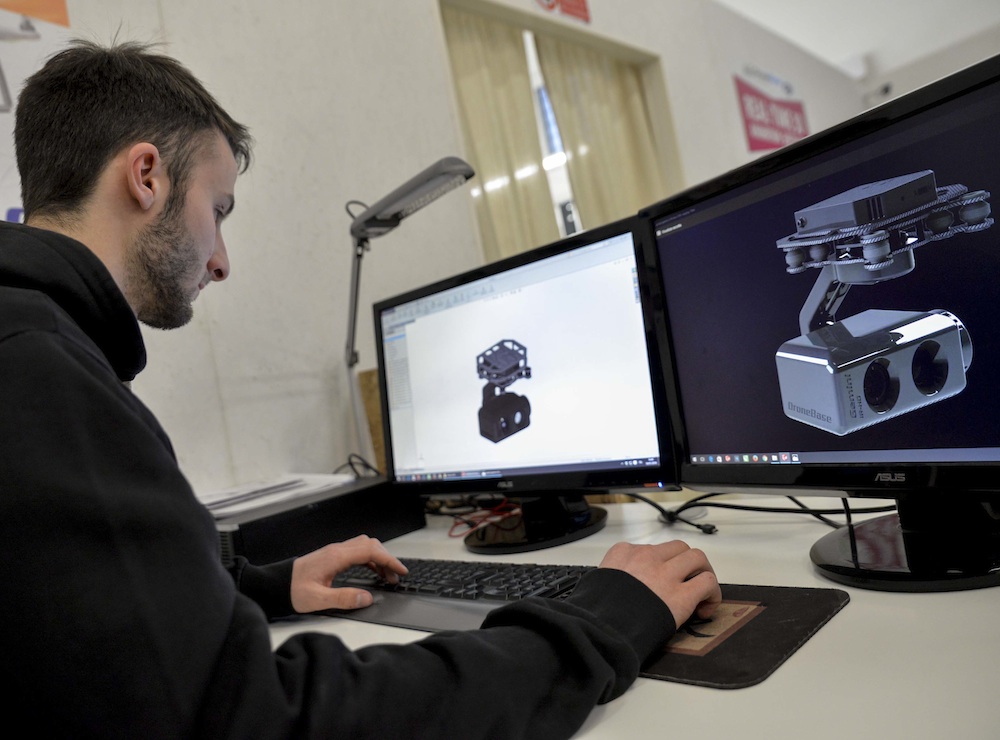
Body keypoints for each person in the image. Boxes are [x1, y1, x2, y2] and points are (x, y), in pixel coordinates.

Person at [0, 40, 721, 738]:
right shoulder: (40, 374)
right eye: (217, 210)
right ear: (146, 176)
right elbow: (267, 719)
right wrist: (597, 625)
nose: (221, 262)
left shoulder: (32, 348)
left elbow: (82, 607)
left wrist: (270, 584)